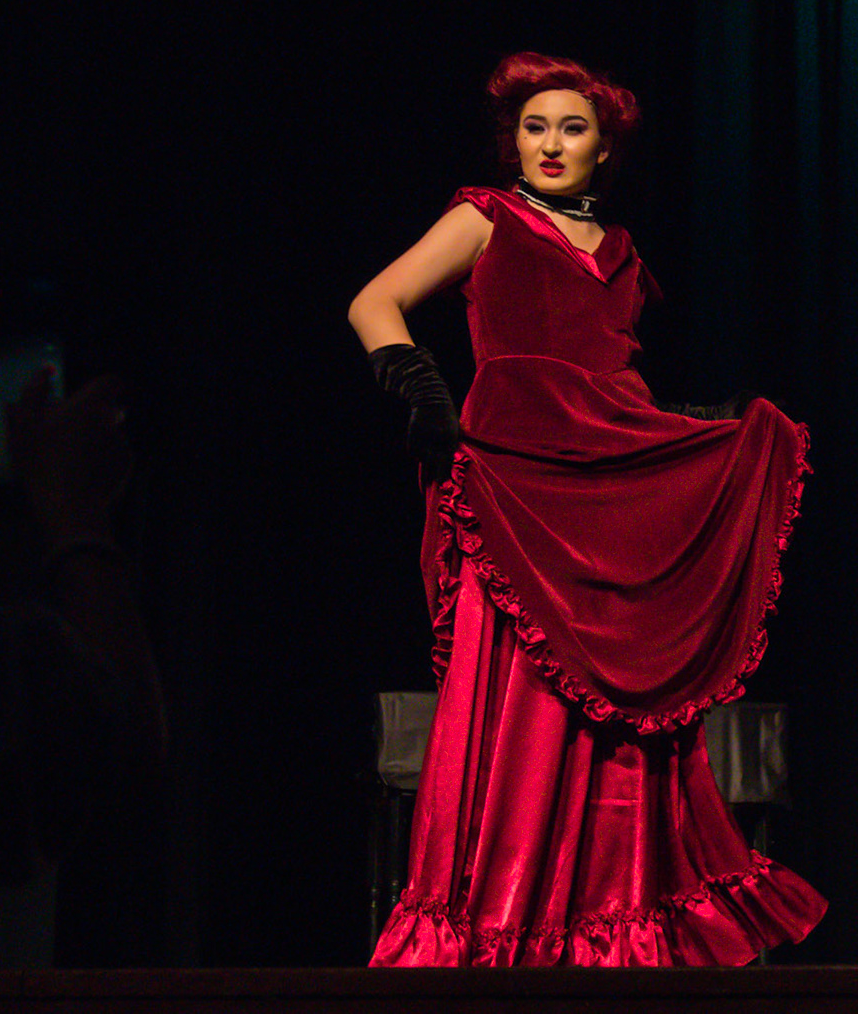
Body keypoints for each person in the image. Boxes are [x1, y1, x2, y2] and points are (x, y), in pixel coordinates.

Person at [349, 53, 824, 966]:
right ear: (513, 142)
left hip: (606, 490)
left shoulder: (623, 256)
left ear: (604, 147)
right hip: (516, 486)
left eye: (572, 128)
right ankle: (498, 922)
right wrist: (423, 392)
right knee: (521, 703)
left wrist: (697, 439)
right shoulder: (486, 217)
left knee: (622, 706)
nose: (551, 143)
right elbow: (376, 301)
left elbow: (613, 382)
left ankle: (611, 921)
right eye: (535, 127)